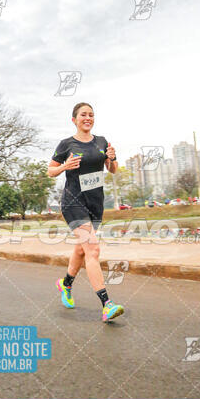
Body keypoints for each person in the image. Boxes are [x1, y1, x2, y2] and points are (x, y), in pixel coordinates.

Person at [47, 102, 124, 322]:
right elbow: (50, 171)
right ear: (74, 119)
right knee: (93, 249)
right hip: (73, 202)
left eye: (91, 114)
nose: (87, 118)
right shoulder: (66, 144)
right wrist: (64, 167)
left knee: (82, 251)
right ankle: (107, 304)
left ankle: (66, 284)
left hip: (95, 202)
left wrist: (112, 157)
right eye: (83, 115)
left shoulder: (101, 141)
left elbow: (112, 170)